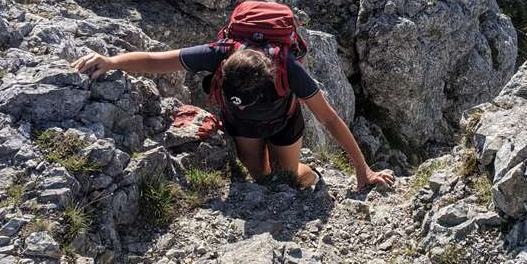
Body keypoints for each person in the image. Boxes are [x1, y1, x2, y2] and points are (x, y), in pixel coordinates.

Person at [71, 42, 394, 192]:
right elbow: (155, 61)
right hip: (242, 127)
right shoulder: (218, 53)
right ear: (224, 69)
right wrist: (112, 61)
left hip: (283, 123)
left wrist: (362, 169)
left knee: (289, 176)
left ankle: (313, 177)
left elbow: (329, 119)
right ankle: (276, 170)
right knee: (263, 179)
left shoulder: (288, 69)